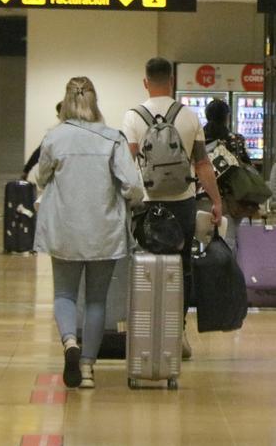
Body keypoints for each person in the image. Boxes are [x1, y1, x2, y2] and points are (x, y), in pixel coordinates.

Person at [35, 77, 144, 390]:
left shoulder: (54, 138)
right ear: (94, 102)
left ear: (66, 102)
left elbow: (42, 177)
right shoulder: (113, 139)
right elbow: (133, 186)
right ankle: (87, 369)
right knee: (97, 300)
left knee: (64, 294)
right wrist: (130, 203)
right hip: (104, 231)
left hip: (65, 229)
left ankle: (70, 343)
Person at [122, 57, 223, 361]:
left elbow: (127, 166)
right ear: (172, 81)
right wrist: (216, 202)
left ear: (145, 82)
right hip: (182, 202)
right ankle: (176, 331)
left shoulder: (132, 116)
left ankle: (147, 332)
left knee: (145, 268)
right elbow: (203, 164)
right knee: (182, 268)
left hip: (147, 206)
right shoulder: (189, 116)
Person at [203, 99, 259, 225]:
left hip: (203, 195)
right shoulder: (236, 140)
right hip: (231, 197)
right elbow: (247, 166)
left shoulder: (199, 139)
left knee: (205, 237)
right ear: (226, 117)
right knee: (230, 239)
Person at [22, 102, 61, 179]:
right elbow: (39, 151)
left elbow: (39, 151)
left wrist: (26, 170)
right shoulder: (54, 134)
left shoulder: (54, 134)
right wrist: (26, 170)